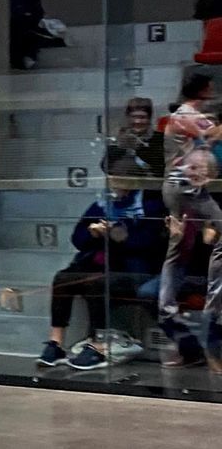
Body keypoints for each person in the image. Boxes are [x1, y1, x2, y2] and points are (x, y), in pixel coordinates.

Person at [36, 171, 166, 370]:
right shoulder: (102, 202)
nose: (116, 183)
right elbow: (77, 239)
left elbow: (149, 243)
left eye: (121, 177)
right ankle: (56, 343)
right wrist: (92, 233)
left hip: (133, 269)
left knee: (97, 283)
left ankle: (97, 345)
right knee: (63, 278)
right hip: (95, 264)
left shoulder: (150, 203)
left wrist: (117, 234)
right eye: (113, 177)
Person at [158, 72, 222, 373]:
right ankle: (210, 305)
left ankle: (174, 314)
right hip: (185, 189)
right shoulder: (187, 115)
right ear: (203, 89)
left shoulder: (187, 115)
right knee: (184, 250)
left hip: (188, 188)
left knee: (180, 249)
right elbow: (214, 133)